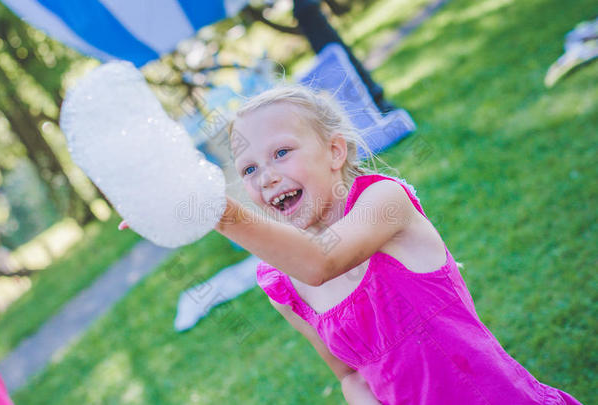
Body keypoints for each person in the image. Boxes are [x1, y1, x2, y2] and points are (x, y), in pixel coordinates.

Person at [120, 85, 583, 404]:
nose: (266, 176)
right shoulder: (280, 280)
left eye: (281, 152)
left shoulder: (385, 202)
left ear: (335, 152)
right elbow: (350, 376)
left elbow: (323, 260)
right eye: (248, 169)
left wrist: (214, 210)